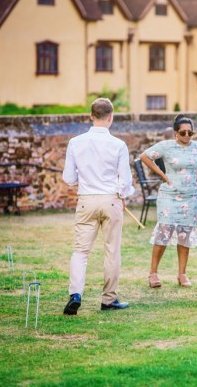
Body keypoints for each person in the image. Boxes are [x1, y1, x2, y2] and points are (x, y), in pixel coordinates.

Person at [62, 98, 134, 315]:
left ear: (91, 116)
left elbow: (68, 177)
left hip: (86, 200)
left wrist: (84, 180)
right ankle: (109, 299)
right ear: (111, 117)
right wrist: (122, 195)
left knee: (81, 250)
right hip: (111, 199)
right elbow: (126, 180)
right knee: (112, 251)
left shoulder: (75, 142)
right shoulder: (119, 145)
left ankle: (75, 294)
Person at [140, 116, 197, 288]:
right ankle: (153, 273)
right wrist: (162, 174)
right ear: (176, 133)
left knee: (185, 233)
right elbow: (145, 156)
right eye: (183, 133)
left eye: (190, 132)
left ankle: (182, 274)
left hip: (191, 197)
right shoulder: (167, 146)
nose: (187, 135)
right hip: (169, 196)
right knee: (163, 231)